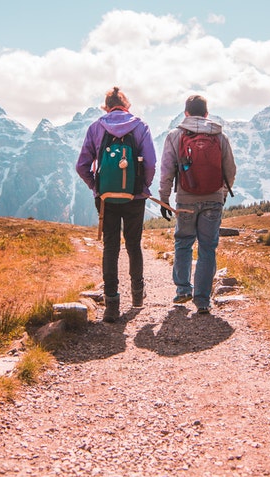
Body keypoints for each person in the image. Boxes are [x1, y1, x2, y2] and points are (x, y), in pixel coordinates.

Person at [76, 87, 157, 322]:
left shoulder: (95, 127)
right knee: (134, 244)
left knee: (111, 247)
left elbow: (82, 166)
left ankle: (111, 304)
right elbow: (150, 162)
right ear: (127, 105)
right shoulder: (140, 126)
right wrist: (142, 186)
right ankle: (138, 295)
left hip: (106, 199)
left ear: (107, 106)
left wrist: (96, 187)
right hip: (135, 197)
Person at [158, 94, 236, 314]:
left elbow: (167, 170)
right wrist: (220, 194)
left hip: (185, 199)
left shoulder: (175, 135)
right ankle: (202, 300)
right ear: (206, 113)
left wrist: (164, 198)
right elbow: (230, 170)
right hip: (213, 198)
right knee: (207, 248)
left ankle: (183, 289)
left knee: (183, 242)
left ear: (186, 113)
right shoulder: (220, 136)